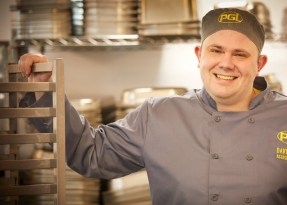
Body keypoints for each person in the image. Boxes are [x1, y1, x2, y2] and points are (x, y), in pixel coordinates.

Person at [18, 8, 287, 205]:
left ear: (259, 64)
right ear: (199, 55)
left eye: (240, 54)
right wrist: (44, 92)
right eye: (216, 50)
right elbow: (90, 153)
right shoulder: (158, 115)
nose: (226, 63)